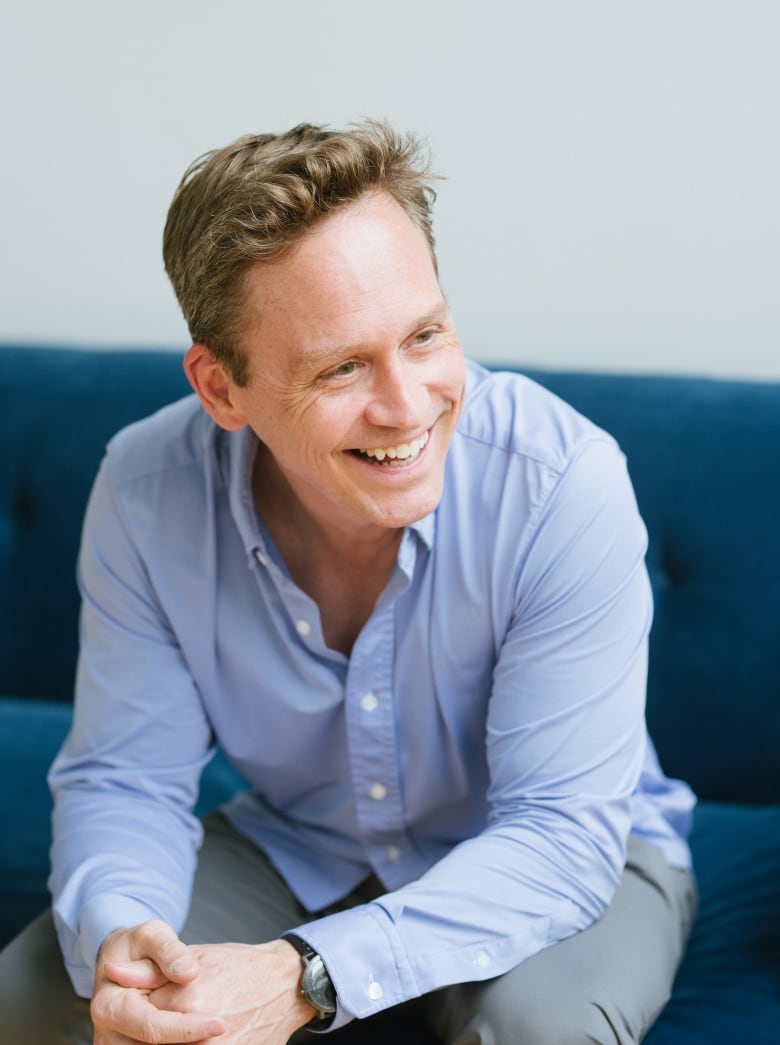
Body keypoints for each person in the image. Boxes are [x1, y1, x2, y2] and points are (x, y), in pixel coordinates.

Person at [0, 120, 697, 1044]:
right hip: (307, 844)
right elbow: (127, 779)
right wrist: (126, 933)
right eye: (341, 367)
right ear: (221, 389)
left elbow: (560, 836)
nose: (408, 406)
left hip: (565, 851)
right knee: (49, 1003)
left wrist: (306, 975)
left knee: (540, 1030)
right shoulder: (144, 489)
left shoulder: (560, 481)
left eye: (424, 334)